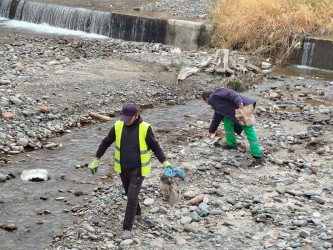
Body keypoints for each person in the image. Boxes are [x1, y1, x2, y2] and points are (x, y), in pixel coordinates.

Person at [88, 103, 173, 239]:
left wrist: (165, 162)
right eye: (124, 118)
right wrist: (96, 159)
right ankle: (137, 212)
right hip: (123, 168)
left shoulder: (145, 129)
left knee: (132, 197)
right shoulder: (118, 125)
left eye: (129, 118)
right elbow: (106, 142)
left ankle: (127, 228)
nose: (126, 121)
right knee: (129, 193)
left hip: (138, 169)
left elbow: (155, 147)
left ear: (136, 116)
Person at [202, 88, 263, 167]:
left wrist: (239, 102)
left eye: (205, 102)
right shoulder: (215, 103)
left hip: (243, 107)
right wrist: (211, 131)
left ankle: (257, 156)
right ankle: (232, 145)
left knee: (249, 130)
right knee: (227, 123)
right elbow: (216, 118)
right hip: (236, 110)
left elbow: (230, 92)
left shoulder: (214, 95)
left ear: (206, 99)